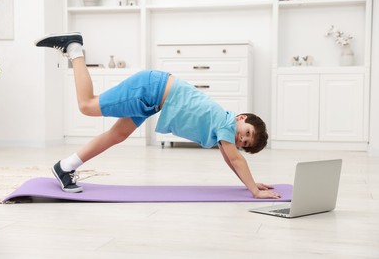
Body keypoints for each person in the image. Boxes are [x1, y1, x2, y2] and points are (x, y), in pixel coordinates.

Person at [35, 32, 281, 199]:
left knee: (116, 135)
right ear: (241, 117)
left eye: (245, 143)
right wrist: (255, 191)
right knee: (87, 105)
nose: (242, 140)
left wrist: (250, 184)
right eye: (246, 133)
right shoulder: (226, 123)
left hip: (153, 100)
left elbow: (231, 160)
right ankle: (74, 48)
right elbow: (236, 159)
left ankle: (65, 167)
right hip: (150, 89)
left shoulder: (224, 133)